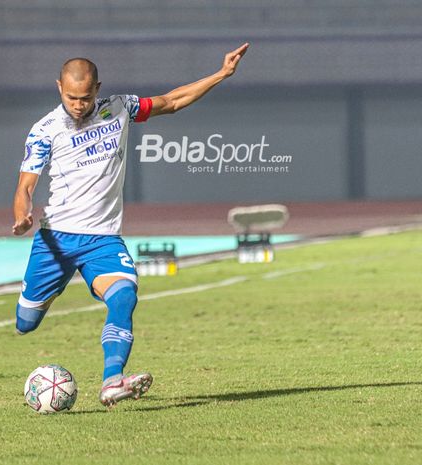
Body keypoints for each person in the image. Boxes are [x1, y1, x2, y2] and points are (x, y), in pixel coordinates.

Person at [13, 43, 249, 407]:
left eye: (85, 97)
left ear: (98, 89)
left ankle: (112, 381)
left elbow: (171, 102)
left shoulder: (119, 108)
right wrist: (22, 214)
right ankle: (49, 292)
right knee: (25, 323)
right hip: (55, 241)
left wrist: (220, 74)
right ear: (59, 87)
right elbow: (25, 185)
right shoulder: (44, 130)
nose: (79, 105)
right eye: (72, 97)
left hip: (102, 241)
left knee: (124, 295)